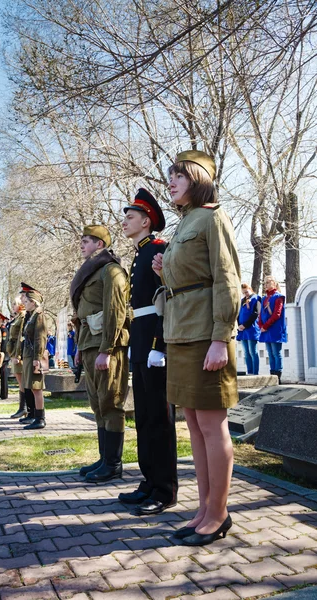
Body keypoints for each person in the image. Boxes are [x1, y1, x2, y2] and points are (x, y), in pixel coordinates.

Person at [152, 149, 240, 546]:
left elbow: (226, 279)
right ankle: (203, 508)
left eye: (179, 176)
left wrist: (221, 337)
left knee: (211, 425)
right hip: (180, 333)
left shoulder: (212, 216)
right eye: (170, 176)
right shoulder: (185, 221)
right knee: (193, 424)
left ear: (198, 180)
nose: (170, 182)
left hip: (207, 334)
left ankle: (218, 514)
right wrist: (164, 269)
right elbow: (190, 275)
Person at [119, 188, 178, 515]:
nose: (125, 222)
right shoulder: (139, 253)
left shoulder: (159, 249)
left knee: (159, 418)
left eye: (130, 217)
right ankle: (149, 481)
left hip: (155, 343)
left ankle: (165, 489)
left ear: (146, 221)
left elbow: (164, 300)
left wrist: (158, 344)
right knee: (143, 417)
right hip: (140, 342)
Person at [70, 225, 129, 483]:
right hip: (90, 344)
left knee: (111, 402)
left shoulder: (111, 271)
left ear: (100, 245)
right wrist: (80, 349)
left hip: (107, 347)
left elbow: (115, 312)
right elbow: (82, 315)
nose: (81, 245)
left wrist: (107, 349)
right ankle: (104, 458)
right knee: (97, 404)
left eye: (87, 241)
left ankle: (114, 463)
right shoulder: (92, 272)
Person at [19, 284, 48, 429]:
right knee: (31, 387)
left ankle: (40, 418)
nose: (24, 304)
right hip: (29, 355)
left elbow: (40, 338)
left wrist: (37, 358)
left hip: (34, 356)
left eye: (26, 302)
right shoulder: (32, 316)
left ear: (33, 302)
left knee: (37, 388)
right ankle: (35, 416)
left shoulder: (39, 316)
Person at [259, 275, 287, 383]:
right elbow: (261, 314)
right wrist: (261, 326)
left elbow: (277, 314)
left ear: (274, 283)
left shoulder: (278, 297)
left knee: (276, 353)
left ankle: (277, 376)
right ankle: (272, 375)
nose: (265, 284)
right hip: (265, 330)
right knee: (270, 353)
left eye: (268, 282)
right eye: (264, 283)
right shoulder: (264, 298)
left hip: (274, 329)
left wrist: (266, 326)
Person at [6, 297, 26, 419]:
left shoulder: (22, 316)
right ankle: (22, 408)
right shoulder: (18, 317)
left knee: (22, 382)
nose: (13, 306)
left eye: (15, 304)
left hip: (18, 354)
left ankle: (24, 408)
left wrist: (17, 355)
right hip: (13, 352)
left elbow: (20, 337)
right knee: (21, 383)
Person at [237, 283, 261, 375]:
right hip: (242, 330)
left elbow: (256, 313)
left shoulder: (257, 298)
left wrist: (245, 325)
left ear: (250, 289)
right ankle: (250, 372)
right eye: (243, 292)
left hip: (251, 328)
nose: (245, 294)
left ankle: (255, 373)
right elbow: (239, 314)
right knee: (246, 353)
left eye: (246, 291)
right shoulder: (242, 300)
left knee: (253, 351)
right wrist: (239, 325)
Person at [0, 311, 9, 400]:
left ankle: (4, 394)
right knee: (0, 374)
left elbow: (4, 343)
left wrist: (1, 354)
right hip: (0, 354)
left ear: (0, 319)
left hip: (4, 355)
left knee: (3, 375)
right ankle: (1, 393)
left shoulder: (3, 329)